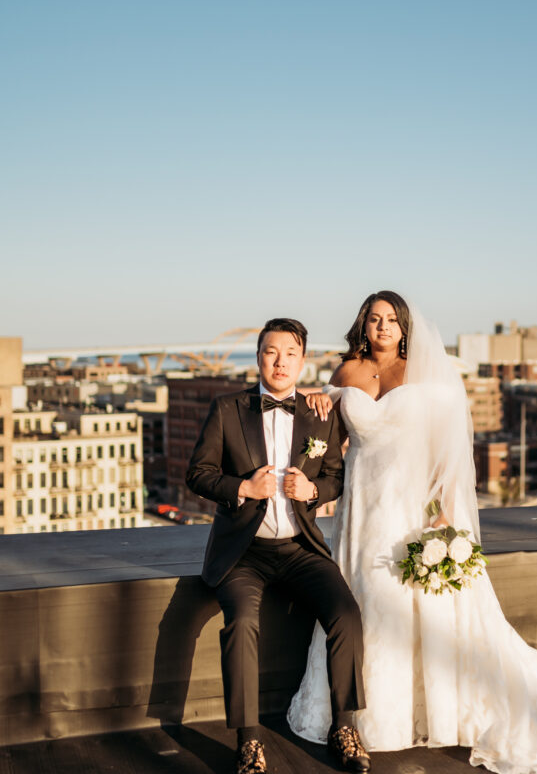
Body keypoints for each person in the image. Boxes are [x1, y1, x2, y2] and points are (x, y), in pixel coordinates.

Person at [288, 292, 537, 774]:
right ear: (363, 324)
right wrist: (317, 397)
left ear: (404, 327)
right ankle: (363, 715)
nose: (382, 327)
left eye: (391, 320)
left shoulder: (424, 373)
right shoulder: (345, 373)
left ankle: (425, 706)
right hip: (362, 510)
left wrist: (442, 513)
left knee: (410, 604)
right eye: (374, 319)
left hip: (411, 506)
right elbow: (327, 434)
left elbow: (446, 451)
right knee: (364, 602)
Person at [186, 318, 371, 774]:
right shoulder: (227, 408)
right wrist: (244, 488)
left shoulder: (319, 413)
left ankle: (344, 726)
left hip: (300, 549)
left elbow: (335, 477)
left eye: (290, 353)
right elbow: (198, 474)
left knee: (346, 614)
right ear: (258, 358)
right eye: (271, 351)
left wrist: (312, 492)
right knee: (242, 623)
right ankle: (249, 740)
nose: (281, 361)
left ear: (302, 360)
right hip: (243, 554)